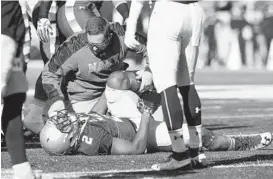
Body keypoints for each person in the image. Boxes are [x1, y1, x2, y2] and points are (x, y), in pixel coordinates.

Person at [39, 70, 273, 156]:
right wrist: (145, 114)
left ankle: (152, 75)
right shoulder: (92, 142)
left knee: (116, 79)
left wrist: (110, 95)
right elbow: (136, 148)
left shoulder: (80, 127)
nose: (65, 120)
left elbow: (95, 112)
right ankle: (240, 143)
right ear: (68, 140)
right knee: (201, 136)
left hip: (124, 116)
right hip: (143, 131)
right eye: (63, 126)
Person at [23, 0, 131, 135]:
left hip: (86, 7)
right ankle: (37, 115)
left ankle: (55, 113)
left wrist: (128, 16)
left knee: (96, 51)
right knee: (67, 60)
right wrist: (43, 16)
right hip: (59, 9)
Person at [125, 0, 206, 170]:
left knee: (167, 85)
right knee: (188, 84)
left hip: (168, 11)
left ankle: (179, 155)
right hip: (194, 11)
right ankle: (196, 152)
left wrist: (131, 26)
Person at [39, 16, 149, 138]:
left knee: (135, 78)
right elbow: (49, 73)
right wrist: (56, 100)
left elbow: (152, 49)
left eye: (99, 45)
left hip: (116, 89)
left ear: (109, 37)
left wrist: (148, 71)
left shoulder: (121, 34)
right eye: (91, 45)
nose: (95, 49)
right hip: (85, 100)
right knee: (68, 134)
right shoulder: (73, 46)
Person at [1, 1, 38, 178]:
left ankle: (22, 168)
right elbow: (5, 40)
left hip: (12, 53)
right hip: (7, 50)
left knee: (14, 103)